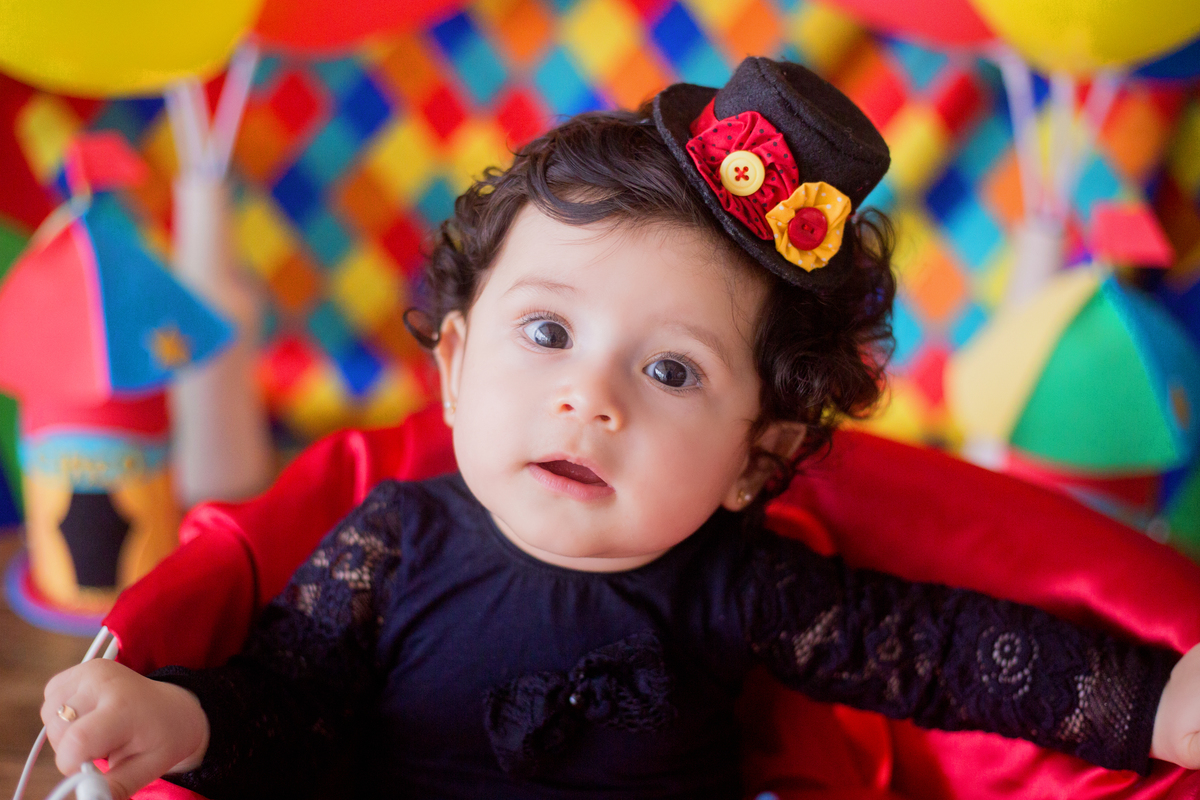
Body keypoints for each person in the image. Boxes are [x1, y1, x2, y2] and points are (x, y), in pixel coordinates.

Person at [39, 57, 1200, 800]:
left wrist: (1154, 706)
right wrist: (180, 714)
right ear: (452, 366)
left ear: (759, 457)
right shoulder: (389, 541)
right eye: (547, 334)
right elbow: (287, 706)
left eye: (670, 368)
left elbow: (950, 656)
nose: (592, 399)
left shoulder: (742, 584)